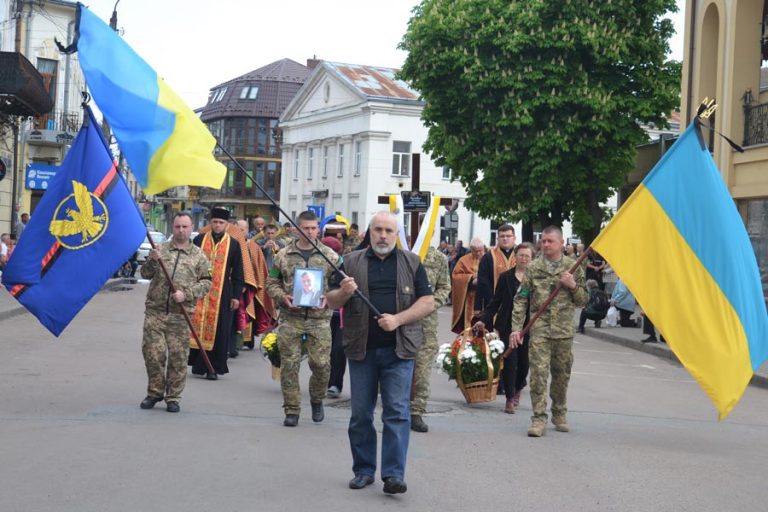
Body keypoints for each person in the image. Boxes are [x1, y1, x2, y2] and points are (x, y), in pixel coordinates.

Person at [326, 212, 434, 495]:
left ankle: (393, 475)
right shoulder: (350, 262)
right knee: (361, 414)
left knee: (397, 413)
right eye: (378, 230)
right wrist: (345, 293)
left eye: (388, 230)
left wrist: (398, 320)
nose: (383, 235)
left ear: (396, 234)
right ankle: (363, 470)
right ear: (370, 232)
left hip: (399, 349)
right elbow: (329, 300)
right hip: (361, 350)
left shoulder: (411, 262)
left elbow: (428, 302)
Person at [510, 226, 587, 437]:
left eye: (550, 241)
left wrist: (572, 285)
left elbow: (583, 301)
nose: (545, 245)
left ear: (561, 243)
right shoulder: (534, 268)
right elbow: (521, 298)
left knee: (561, 375)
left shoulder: (573, 267)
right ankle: (538, 418)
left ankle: (559, 412)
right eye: (543, 241)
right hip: (540, 330)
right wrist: (516, 329)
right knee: (538, 375)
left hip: (563, 331)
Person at [266, 211, 340, 427]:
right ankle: (292, 409)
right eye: (305, 228)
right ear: (297, 229)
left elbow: (339, 285)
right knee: (289, 366)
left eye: (313, 228)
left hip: (319, 319)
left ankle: (317, 399)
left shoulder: (331, 256)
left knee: (321, 364)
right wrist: (283, 297)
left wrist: (330, 297)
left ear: (318, 229)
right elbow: (271, 283)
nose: (309, 232)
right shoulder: (283, 255)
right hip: (291, 318)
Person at [139, 212, 211, 413]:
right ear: (173, 227)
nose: (181, 230)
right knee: (153, 354)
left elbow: (207, 282)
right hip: (156, 312)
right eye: (178, 226)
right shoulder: (160, 250)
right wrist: (152, 260)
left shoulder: (199, 255)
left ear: (191, 228)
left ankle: (173, 396)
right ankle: (154, 392)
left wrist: (186, 294)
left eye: (185, 227)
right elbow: (145, 274)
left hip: (181, 315)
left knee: (178, 358)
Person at [474, 242, 535, 413]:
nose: (523, 258)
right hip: (507, 325)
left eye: (527, 256)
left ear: (532, 259)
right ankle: (509, 398)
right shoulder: (506, 277)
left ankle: (518, 387)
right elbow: (495, 302)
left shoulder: (536, 279)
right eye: (521, 255)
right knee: (509, 361)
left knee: (524, 364)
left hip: (529, 326)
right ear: (516, 256)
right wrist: (484, 320)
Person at [189, 207, 245, 379]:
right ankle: (199, 365)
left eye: (221, 223)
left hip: (223, 292)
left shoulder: (234, 244)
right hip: (199, 291)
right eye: (215, 222)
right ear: (210, 223)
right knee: (197, 327)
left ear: (227, 224)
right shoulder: (199, 239)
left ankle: (214, 367)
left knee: (220, 329)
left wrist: (236, 296)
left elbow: (238, 273)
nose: (218, 225)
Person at [410, 244, 451, 433]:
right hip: (399, 318)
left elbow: (444, 287)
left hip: (427, 322)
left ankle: (416, 411)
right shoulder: (401, 254)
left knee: (422, 367)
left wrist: (429, 305)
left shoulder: (438, 258)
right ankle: (395, 409)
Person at [322, 236, 346, 399]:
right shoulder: (316, 264)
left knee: (338, 350)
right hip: (320, 314)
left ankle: (335, 384)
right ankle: (322, 381)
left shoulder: (345, 265)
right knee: (322, 350)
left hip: (340, 316)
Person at [474, 224, 516, 313]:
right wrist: (477, 306)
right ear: (497, 239)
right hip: (493, 304)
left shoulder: (521, 255)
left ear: (514, 238)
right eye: (502, 236)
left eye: (508, 236)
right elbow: (482, 282)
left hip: (517, 304)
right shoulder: (488, 257)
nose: (505, 238)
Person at [451, 238, 486, 333]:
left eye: (480, 250)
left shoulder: (489, 258)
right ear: (471, 249)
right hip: (470, 297)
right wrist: (471, 278)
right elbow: (456, 276)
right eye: (476, 251)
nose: (478, 253)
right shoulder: (463, 260)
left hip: (486, 297)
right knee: (469, 324)